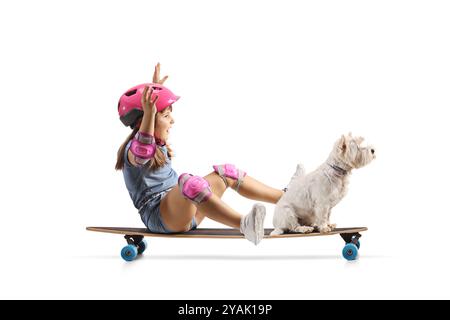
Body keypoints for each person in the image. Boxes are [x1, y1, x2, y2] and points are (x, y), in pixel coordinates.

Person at [115, 63, 284, 245]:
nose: (172, 120)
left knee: (226, 173)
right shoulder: (134, 151)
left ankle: (287, 199)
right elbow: (143, 150)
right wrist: (150, 114)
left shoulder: (157, 144)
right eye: (165, 116)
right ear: (143, 121)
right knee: (189, 182)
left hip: (186, 210)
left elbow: (148, 140)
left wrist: (156, 93)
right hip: (160, 217)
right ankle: (245, 225)